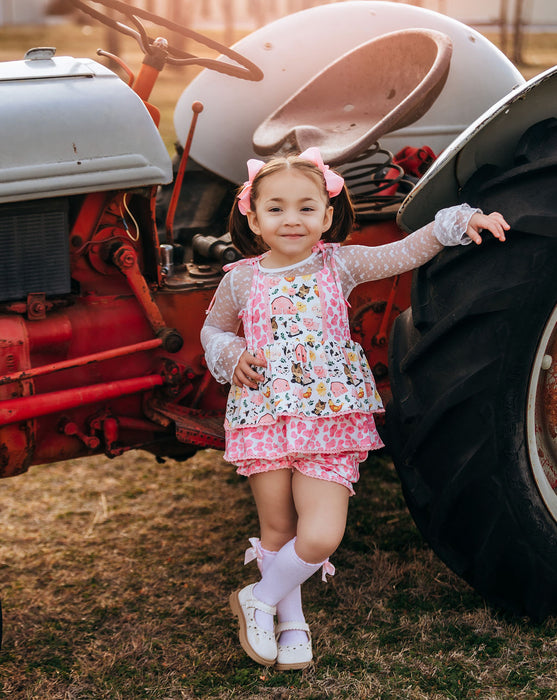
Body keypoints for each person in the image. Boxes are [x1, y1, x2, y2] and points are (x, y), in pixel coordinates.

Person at [200, 147, 509, 670]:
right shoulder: (242, 279)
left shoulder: (339, 263)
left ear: (327, 214)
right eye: (275, 208)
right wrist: (232, 356)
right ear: (252, 218)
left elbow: (409, 250)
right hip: (264, 415)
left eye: (306, 207)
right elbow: (213, 329)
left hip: (330, 419)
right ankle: (291, 622)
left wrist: (461, 219)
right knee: (278, 529)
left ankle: (258, 598)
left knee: (320, 534)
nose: (291, 220)